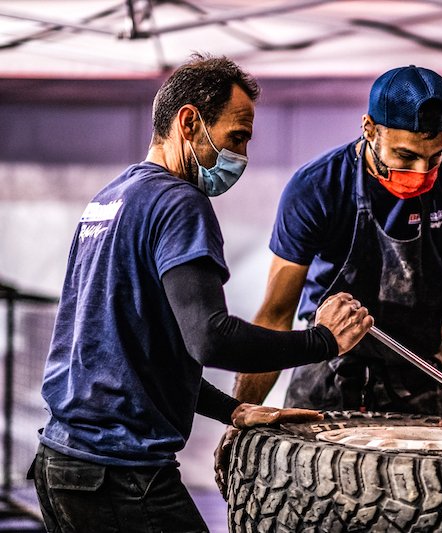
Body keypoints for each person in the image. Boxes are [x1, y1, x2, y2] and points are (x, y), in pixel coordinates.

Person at [31, 54, 373, 533]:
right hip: (120, 472)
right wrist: (324, 342)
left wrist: (231, 409)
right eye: (237, 137)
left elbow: (138, 351)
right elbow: (210, 338)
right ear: (189, 122)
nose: (243, 157)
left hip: (61, 463)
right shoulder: (178, 202)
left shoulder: (110, 200)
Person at [215, 65, 442, 489]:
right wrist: (238, 413)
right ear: (369, 129)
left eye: (434, 156)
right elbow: (275, 314)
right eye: (405, 156)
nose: (421, 172)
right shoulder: (317, 189)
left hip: (422, 375)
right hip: (328, 378)